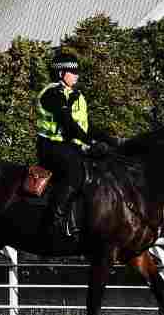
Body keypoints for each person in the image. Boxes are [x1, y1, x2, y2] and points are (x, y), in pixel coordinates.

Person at [35, 51, 111, 242]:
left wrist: (112, 140)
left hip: (69, 147)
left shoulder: (76, 95)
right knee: (76, 172)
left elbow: (85, 126)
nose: (77, 75)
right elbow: (66, 123)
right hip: (52, 147)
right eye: (73, 71)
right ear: (61, 73)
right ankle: (55, 221)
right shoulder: (52, 94)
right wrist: (90, 143)